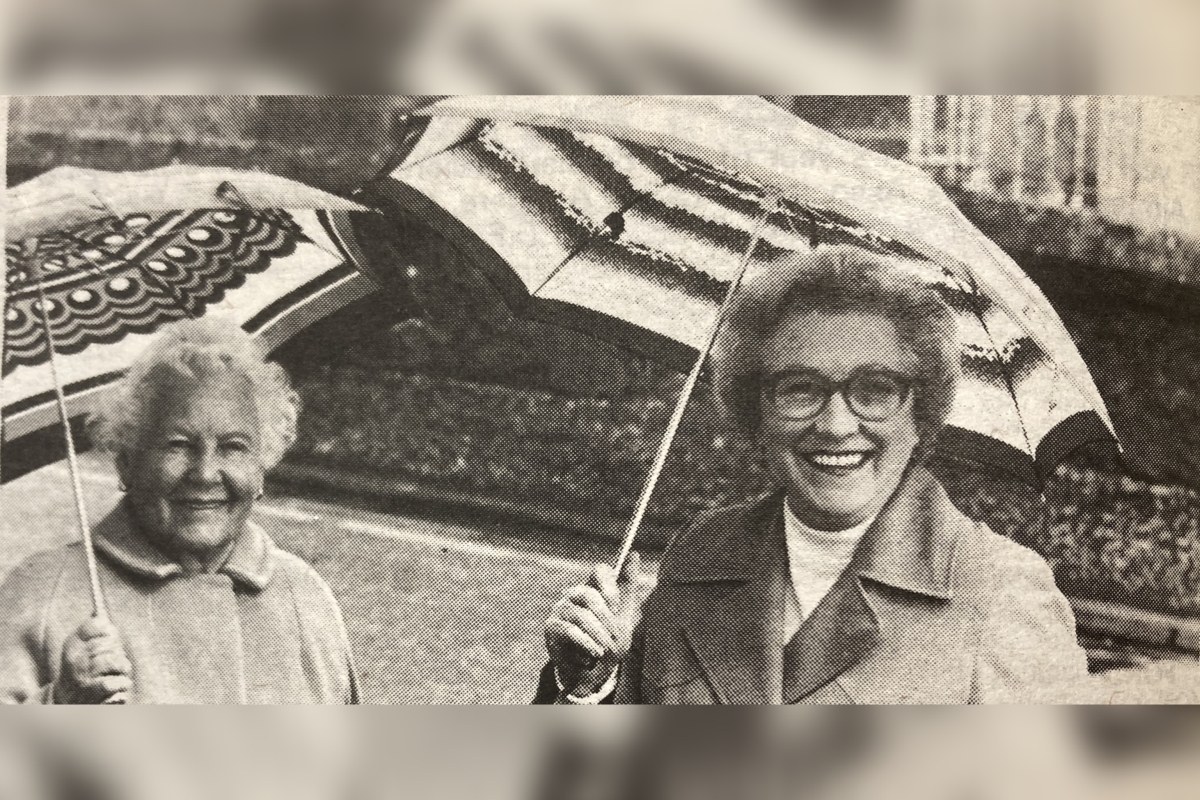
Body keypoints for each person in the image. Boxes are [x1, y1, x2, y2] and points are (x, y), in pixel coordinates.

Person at [537, 245, 1089, 704]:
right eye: (800, 389)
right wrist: (591, 685)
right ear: (756, 410)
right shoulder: (701, 554)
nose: (835, 424)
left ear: (921, 414)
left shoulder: (999, 591)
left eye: (874, 390)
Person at [0, 318, 358, 704]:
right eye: (177, 444)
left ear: (262, 463)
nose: (205, 473)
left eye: (233, 447)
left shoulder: (302, 594)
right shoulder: (43, 591)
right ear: (126, 458)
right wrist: (61, 704)